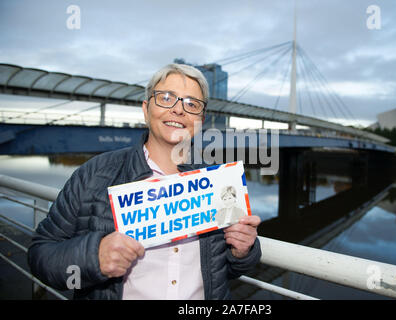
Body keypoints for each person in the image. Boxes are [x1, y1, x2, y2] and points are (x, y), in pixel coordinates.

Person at [28, 63, 262, 300]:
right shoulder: (94, 175)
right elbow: (41, 257)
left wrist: (242, 251)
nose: (178, 110)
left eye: (192, 104)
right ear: (146, 109)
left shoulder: (219, 185)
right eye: (166, 98)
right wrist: (93, 257)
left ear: (201, 119)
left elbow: (224, 271)